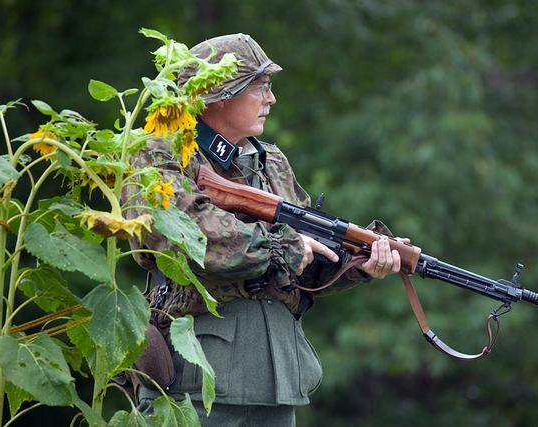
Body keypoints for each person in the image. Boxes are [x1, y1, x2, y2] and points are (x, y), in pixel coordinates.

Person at [127, 33, 404, 426]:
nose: (271, 99)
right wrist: (282, 247)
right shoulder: (161, 150)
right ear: (222, 94)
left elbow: (302, 263)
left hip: (275, 380)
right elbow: (180, 232)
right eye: (261, 87)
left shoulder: (269, 161)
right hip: (196, 376)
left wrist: (357, 263)